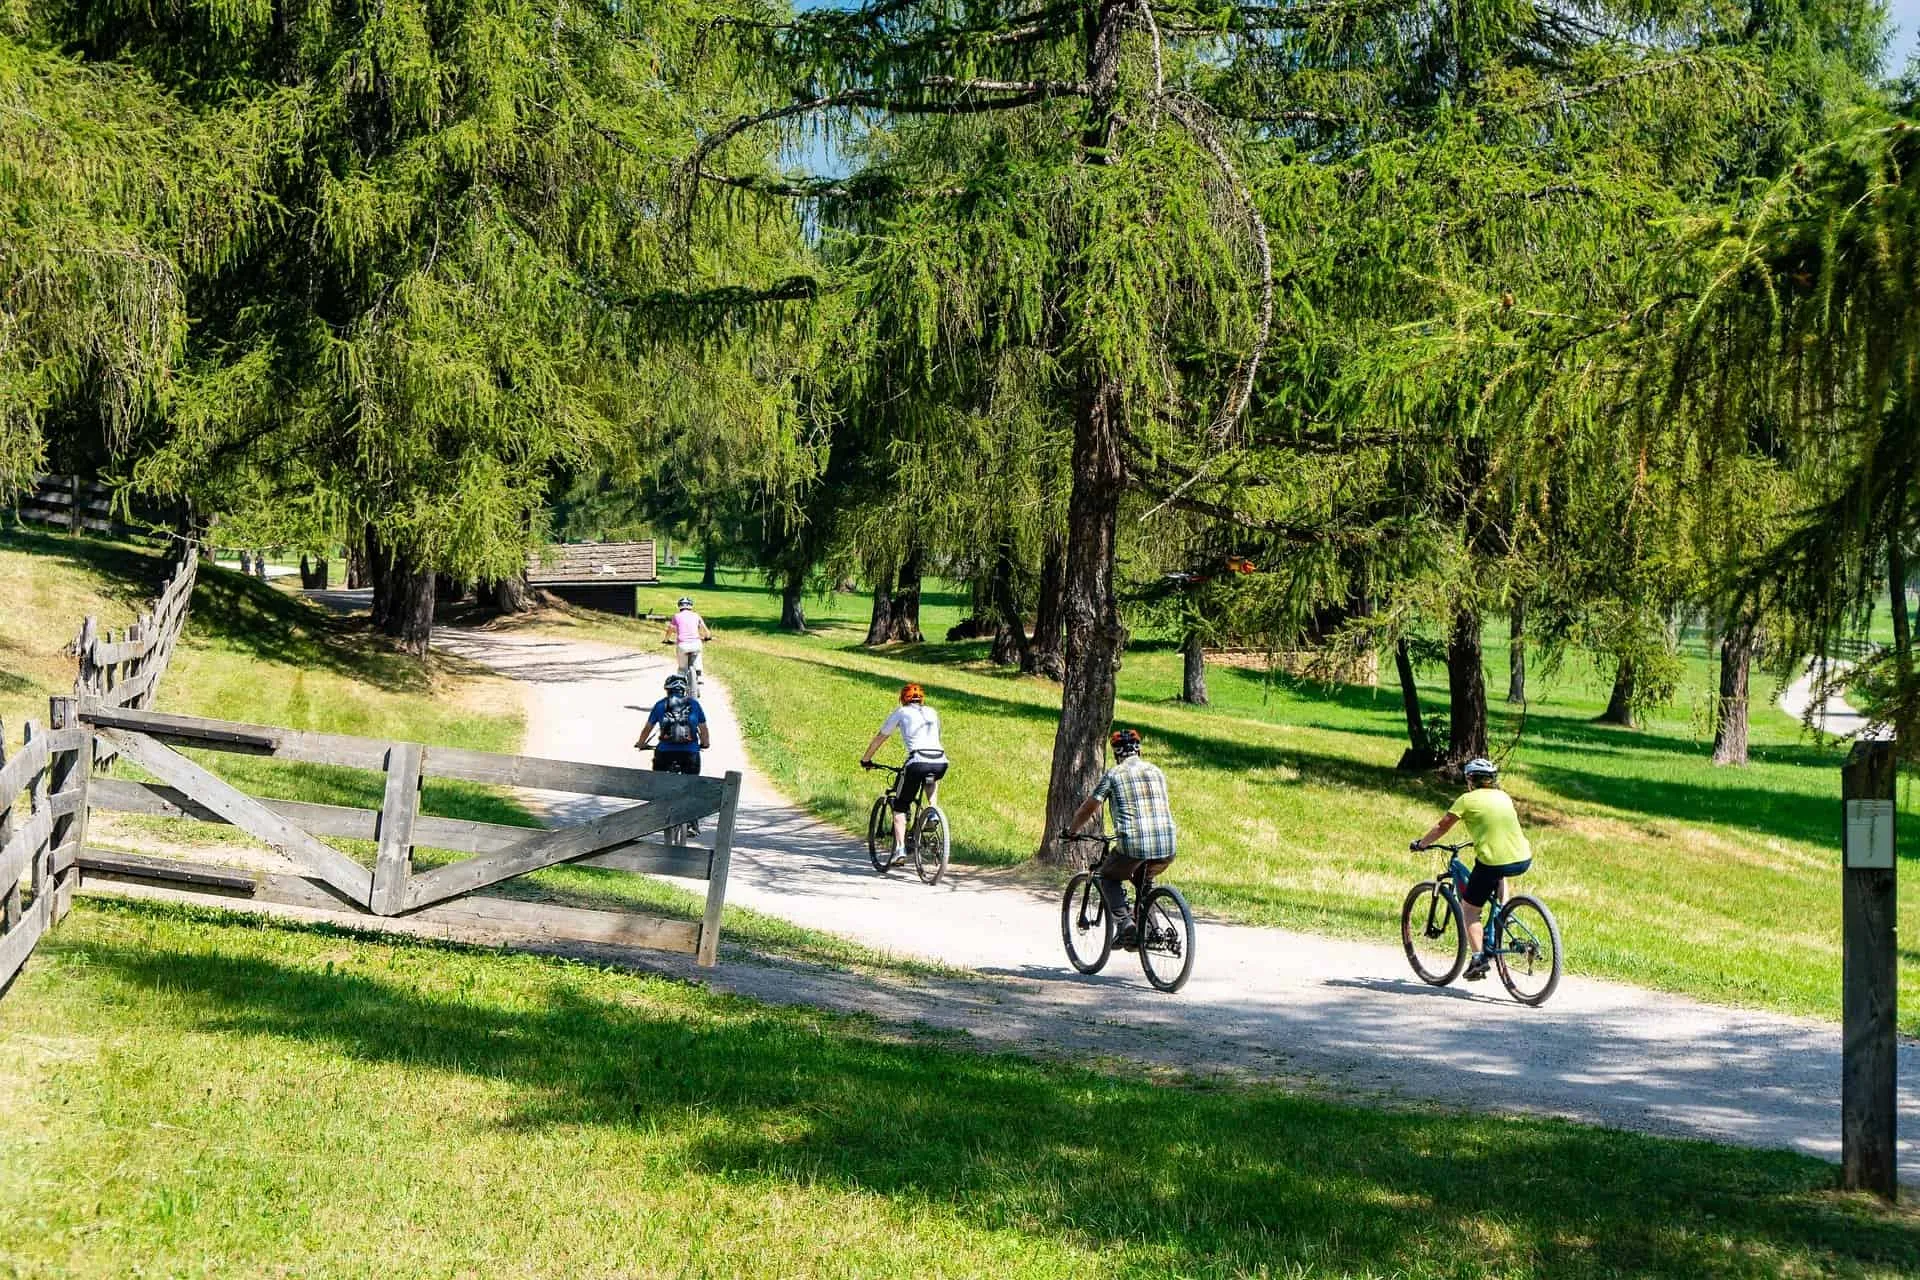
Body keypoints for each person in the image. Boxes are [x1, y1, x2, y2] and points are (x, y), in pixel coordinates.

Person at [1411, 756, 1534, 980]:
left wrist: (1421, 844)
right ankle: (1503, 912)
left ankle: (1478, 958)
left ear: (1470, 779)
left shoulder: (1467, 800)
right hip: (1523, 858)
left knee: (1469, 909)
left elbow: (1442, 826)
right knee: (1499, 872)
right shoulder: (1503, 797)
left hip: (1493, 861)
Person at [1065, 729, 1176, 950]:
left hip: (1133, 844)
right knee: (1143, 881)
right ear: (1139, 750)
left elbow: (1090, 806)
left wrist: (1072, 830)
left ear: (1116, 754)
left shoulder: (1114, 775)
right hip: (1167, 844)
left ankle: (1126, 925)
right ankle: (1150, 930)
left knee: (1107, 876)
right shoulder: (1156, 771)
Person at [859, 683, 948, 865]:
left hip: (917, 761)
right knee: (931, 778)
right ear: (921, 699)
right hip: (941, 760)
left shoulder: (901, 712)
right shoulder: (932, 712)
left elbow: (881, 737)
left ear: (903, 699)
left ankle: (899, 850)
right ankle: (932, 811)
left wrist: (866, 759)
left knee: (900, 806)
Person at [636, 672, 711, 829]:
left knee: (659, 783)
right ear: (684, 690)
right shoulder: (695, 705)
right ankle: (691, 823)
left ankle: (656, 817)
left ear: (667, 690)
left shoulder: (660, 705)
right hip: (690, 753)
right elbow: (703, 730)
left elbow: (647, 729)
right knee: (691, 786)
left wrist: (641, 743)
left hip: (665, 752)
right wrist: (705, 744)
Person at [662, 596, 712, 686]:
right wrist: (708, 637)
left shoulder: (676, 616)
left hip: (683, 645)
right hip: (696, 643)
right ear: (691, 606)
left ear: (679, 606)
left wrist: (666, 640)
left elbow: (670, 629)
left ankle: (681, 681)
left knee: (682, 668)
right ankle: (699, 674)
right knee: (698, 654)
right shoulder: (696, 615)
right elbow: (705, 629)